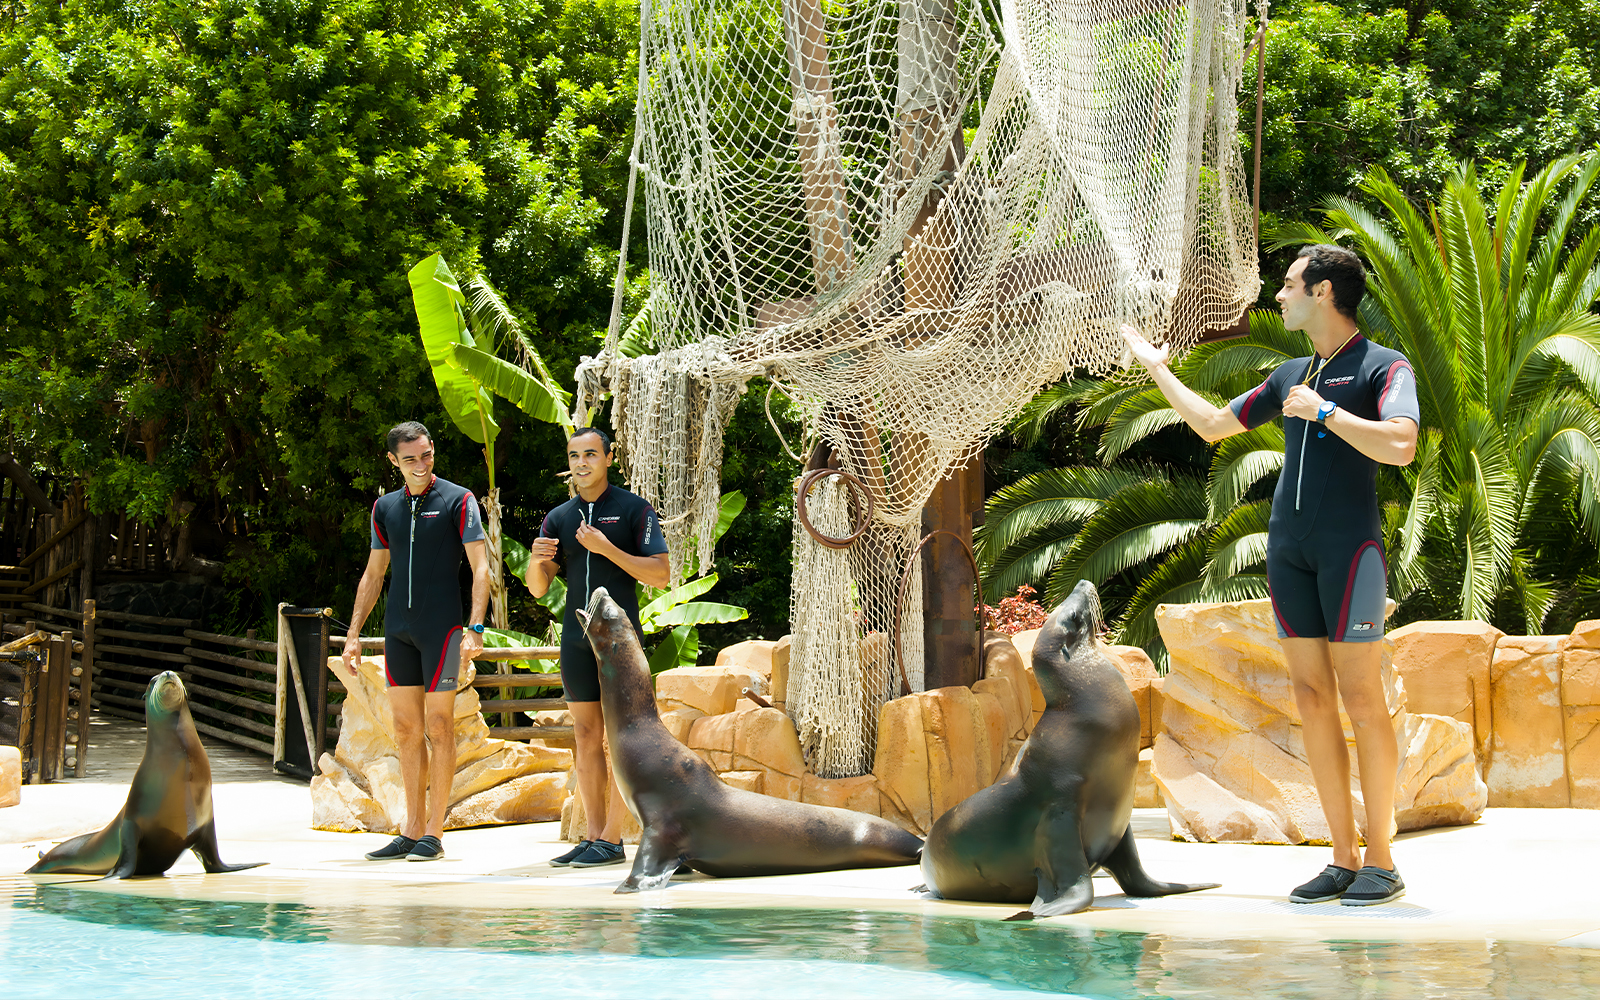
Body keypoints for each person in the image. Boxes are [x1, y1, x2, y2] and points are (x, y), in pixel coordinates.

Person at [1121, 244, 1419, 906]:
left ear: (1324, 293)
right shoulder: (1288, 375)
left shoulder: (1382, 367)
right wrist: (1158, 371)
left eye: (1288, 286)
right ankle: (1342, 859)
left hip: (1351, 554)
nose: (1278, 297)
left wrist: (1328, 414)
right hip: (1290, 552)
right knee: (1312, 699)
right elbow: (1210, 427)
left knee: (1363, 701)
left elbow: (1402, 444)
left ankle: (1383, 859)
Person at [339, 421, 490, 862]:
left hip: (441, 630)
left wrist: (475, 626)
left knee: (439, 727)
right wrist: (352, 634)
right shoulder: (384, 508)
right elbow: (373, 574)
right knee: (405, 730)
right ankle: (409, 830)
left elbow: (481, 567)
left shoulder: (458, 500)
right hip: (399, 632)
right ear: (393, 461)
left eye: (426, 455)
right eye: (410, 459)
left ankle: (435, 833)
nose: (421, 465)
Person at [526, 427, 670, 868]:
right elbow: (536, 589)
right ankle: (593, 838)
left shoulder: (633, 510)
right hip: (576, 639)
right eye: (574, 455)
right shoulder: (560, 516)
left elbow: (659, 575)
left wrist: (607, 549)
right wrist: (536, 558)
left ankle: (613, 838)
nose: (582, 463)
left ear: (609, 458)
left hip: (618, 639)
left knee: (620, 739)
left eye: (590, 454)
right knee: (585, 736)